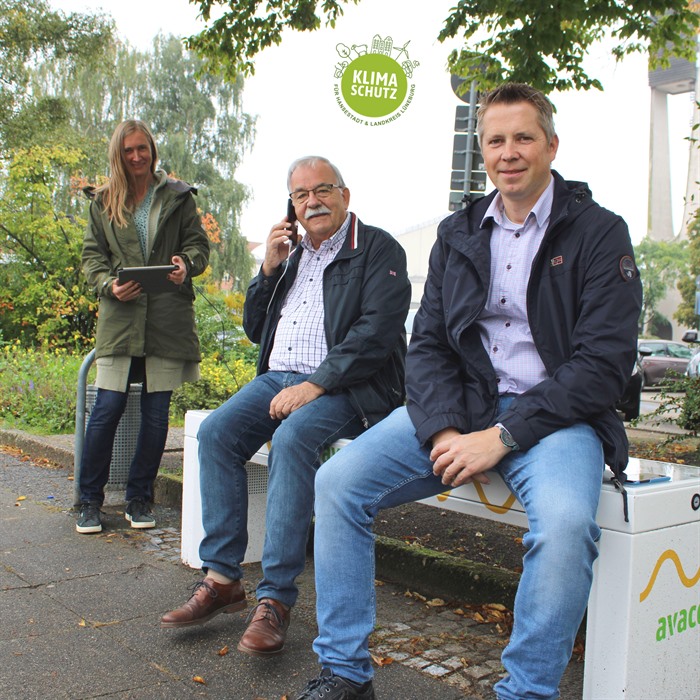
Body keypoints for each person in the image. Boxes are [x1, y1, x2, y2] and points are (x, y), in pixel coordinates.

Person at [294, 84, 643, 700]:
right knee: (337, 483)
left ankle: (526, 692)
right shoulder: (458, 232)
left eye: (523, 138)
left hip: (559, 419)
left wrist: (503, 437)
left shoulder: (598, 232)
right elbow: (426, 345)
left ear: (551, 145)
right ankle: (345, 673)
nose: (509, 153)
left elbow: (604, 366)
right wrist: (446, 431)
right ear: (483, 150)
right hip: (462, 411)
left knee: (564, 527)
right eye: (495, 140)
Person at [161, 156, 411, 659]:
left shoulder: (378, 248)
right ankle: (223, 578)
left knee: (294, 438)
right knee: (216, 435)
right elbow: (257, 329)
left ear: (345, 195)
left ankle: (275, 598)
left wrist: (316, 384)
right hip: (279, 376)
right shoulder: (293, 255)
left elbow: (377, 333)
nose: (312, 201)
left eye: (322, 190)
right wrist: (268, 269)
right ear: (291, 205)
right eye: (301, 195)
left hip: (350, 385)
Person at [77, 119, 210, 535]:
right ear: (118, 153)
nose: (137, 156)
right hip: (120, 319)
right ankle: (88, 501)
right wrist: (107, 286)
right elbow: (91, 257)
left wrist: (184, 265)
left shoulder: (178, 196)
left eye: (143, 148)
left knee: (155, 416)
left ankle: (139, 498)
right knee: (106, 410)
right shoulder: (102, 201)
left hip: (168, 318)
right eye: (129, 150)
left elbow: (199, 247)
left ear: (152, 149)